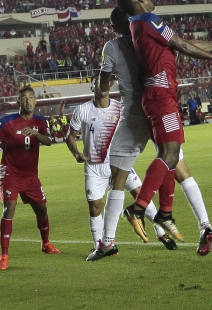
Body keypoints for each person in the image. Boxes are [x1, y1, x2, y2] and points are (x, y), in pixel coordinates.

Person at [97, 7, 212, 258]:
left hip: (135, 114)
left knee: (118, 180)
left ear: (118, 26)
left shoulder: (112, 46)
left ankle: (108, 241)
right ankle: (203, 225)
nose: (110, 28)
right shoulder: (150, 37)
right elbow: (182, 43)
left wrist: (103, 82)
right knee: (178, 167)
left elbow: (103, 85)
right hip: (160, 109)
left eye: (111, 24)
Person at [66, 75, 175, 259]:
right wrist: (77, 153)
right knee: (95, 207)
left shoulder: (120, 108)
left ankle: (161, 232)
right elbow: (70, 136)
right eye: (97, 82)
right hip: (94, 167)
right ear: (92, 87)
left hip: (119, 162)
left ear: (110, 85)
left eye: (104, 81)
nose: (101, 84)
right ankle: (101, 245)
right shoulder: (82, 111)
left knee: (141, 195)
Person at [0, 86, 60, 271]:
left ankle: (45, 244)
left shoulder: (40, 121)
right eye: (24, 98)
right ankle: (4, 256)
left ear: (35, 101)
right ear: (18, 102)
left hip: (31, 176)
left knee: (42, 209)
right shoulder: (6, 122)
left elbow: (48, 141)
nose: (28, 101)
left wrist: (36, 134)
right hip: (10, 173)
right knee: (9, 209)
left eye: (31, 97)